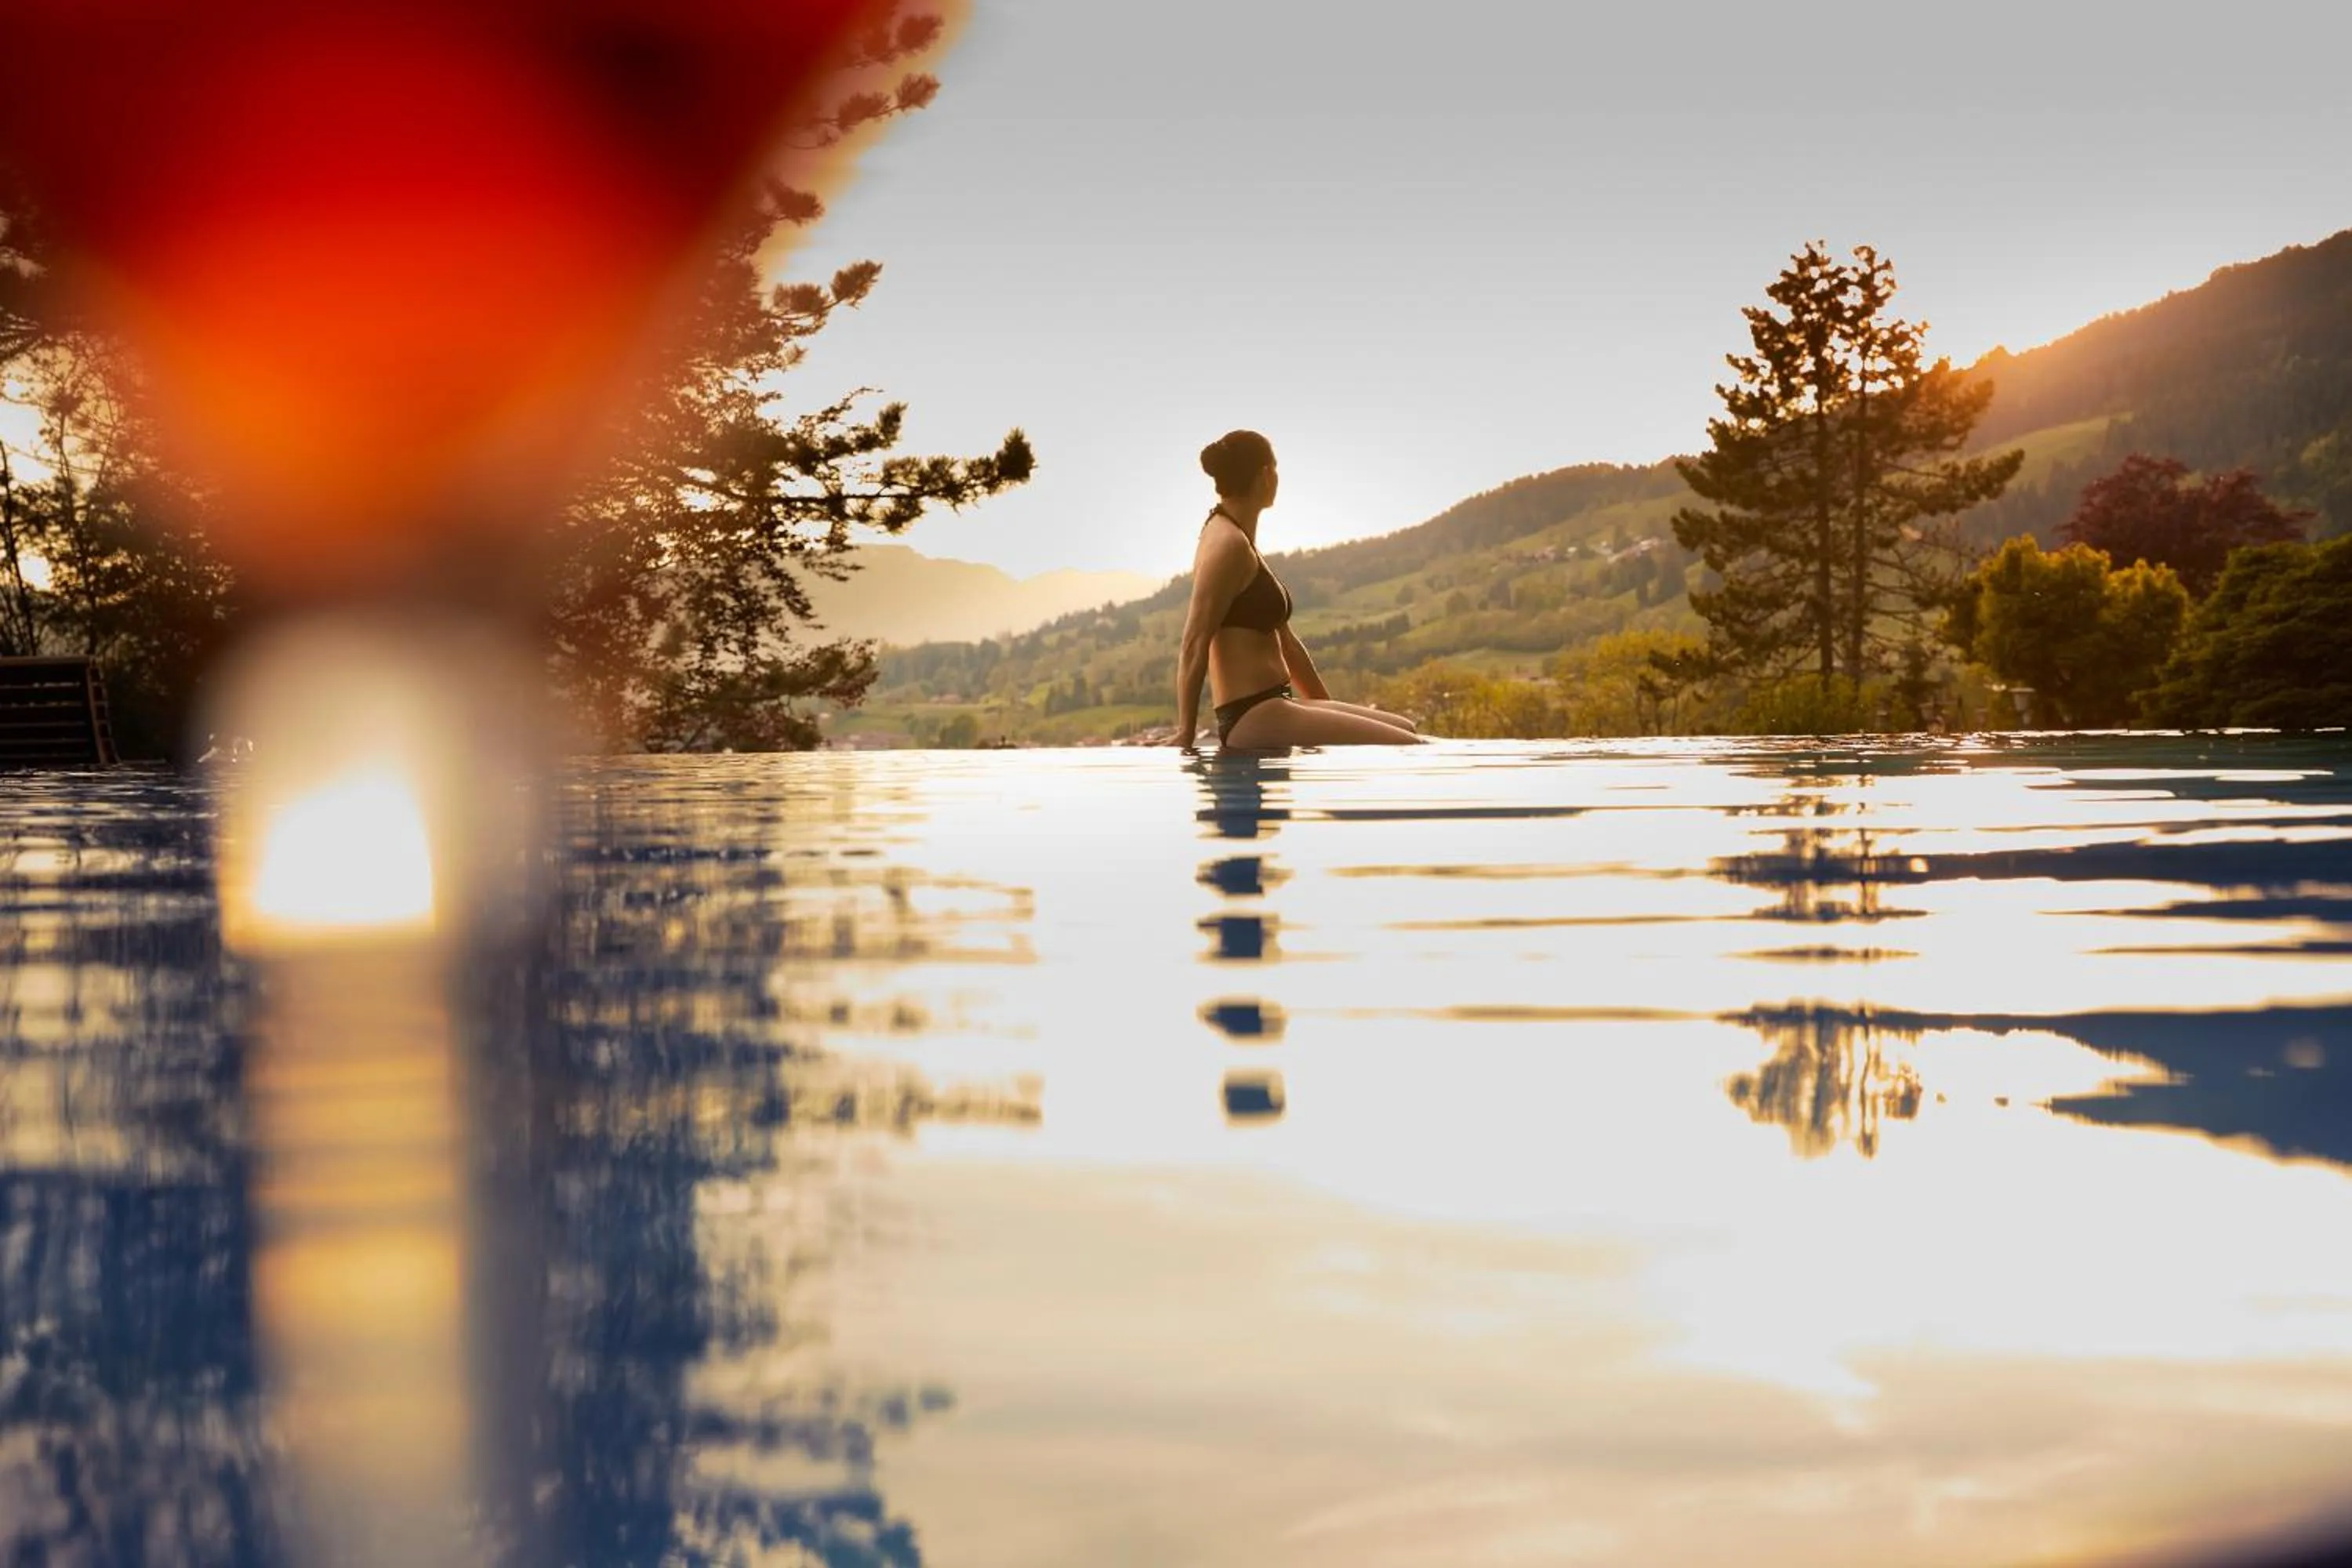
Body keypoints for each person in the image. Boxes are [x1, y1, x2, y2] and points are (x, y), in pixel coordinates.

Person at [1171, 430, 1421, 748]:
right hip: (1254, 715)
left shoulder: (1241, 540)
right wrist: (1186, 734)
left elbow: (1287, 645)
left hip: (1278, 705)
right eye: (1275, 470)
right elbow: (1195, 641)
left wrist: (1326, 710)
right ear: (1266, 474)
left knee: (1407, 729)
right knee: (1409, 747)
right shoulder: (1227, 544)